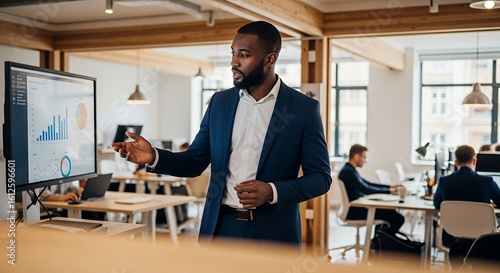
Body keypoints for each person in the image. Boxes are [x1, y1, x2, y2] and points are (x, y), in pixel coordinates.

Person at [112, 21, 331, 246]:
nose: (234, 62)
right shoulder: (220, 103)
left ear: (270, 59)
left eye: (244, 55)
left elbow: (321, 178)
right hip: (220, 229)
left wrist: (272, 191)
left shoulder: (303, 109)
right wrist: (154, 156)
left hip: (273, 235)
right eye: (233, 53)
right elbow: (194, 161)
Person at [433, 145, 500, 269]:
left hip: (452, 236)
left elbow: (437, 205)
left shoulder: (444, 181)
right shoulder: (488, 182)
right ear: (474, 161)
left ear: (456, 162)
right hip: (482, 237)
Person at [338, 144, 405, 245]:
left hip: (357, 208)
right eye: (364, 157)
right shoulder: (348, 172)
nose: (365, 160)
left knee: (391, 212)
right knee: (397, 218)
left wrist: (390, 187)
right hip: (354, 211)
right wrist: (390, 191)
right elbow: (366, 189)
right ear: (356, 157)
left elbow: (368, 183)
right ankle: (376, 244)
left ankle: (376, 244)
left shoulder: (350, 170)